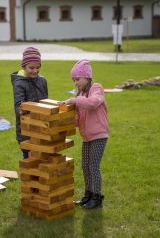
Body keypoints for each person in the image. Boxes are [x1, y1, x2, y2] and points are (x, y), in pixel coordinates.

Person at [59, 60, 109, 209]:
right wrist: (62, 118)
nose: (75, 83)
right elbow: (78, 119)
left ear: (87, 77)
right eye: (74, 80)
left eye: (77, 79)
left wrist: (75, 100)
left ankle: (97, 197)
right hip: (87, 136)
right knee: (85, 166)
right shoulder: (80, 94)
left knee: (94, 165)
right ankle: (88, 195)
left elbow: (93, 103)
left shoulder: (96, 88)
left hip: (99, 134)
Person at [11, 47, 48, 159]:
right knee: (29, 159)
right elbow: (18, 105)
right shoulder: (19, 83)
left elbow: (45, 101)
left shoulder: (42, 81)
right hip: (25, 130)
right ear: (24, 66)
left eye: (38, 67)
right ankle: (30, 177)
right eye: (31, 68)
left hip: (41, 127)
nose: (35, 71)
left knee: (42, 157)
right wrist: (21, 111)